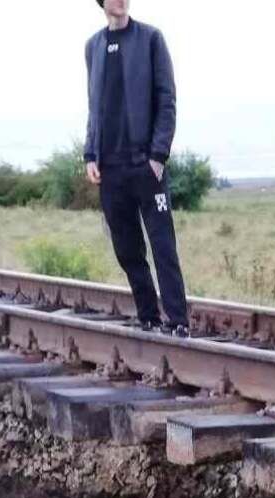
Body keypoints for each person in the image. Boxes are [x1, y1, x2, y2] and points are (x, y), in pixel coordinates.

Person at [84, 0, 190, 336]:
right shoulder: (94, 47)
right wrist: (90, 153)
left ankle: (178, 321)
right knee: (127, 248)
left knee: (162, 245)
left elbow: (167, 98)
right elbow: (94, 106)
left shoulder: (150, 39)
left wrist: (158, 155)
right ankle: (148, 316)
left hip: (146, 165)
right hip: (111, 168)